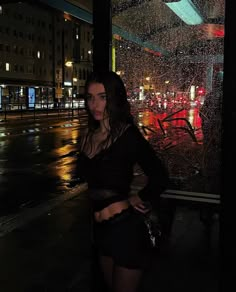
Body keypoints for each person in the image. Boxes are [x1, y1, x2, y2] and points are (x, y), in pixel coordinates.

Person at [76, 71, 169, 292]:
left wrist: (140, 197)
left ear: (115, 98)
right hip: (99, 231)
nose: (95, 104)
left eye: (102, 97)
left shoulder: (127, 135)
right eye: (90, 97)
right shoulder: (87, 136)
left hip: (126, 230)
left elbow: (160, 176)